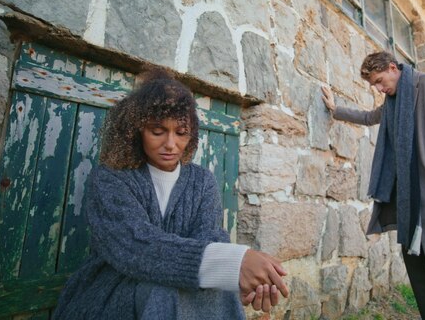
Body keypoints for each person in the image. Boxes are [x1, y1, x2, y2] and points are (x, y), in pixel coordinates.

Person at [54, 69, 288, 319]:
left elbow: (208, 238)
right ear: (137, 129)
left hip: (178, 288)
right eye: (157, 131)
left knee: (217, 289)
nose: (170, 144)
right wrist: (232, 264)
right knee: (162, 290)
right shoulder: (111, 178)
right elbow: (134, 247)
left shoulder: (202, 181)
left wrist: (239, 278)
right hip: (113, 291)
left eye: (181, 132)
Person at [322, 51, 425, 319]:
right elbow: (368, 117)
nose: (378, 89)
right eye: (373, 85)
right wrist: (335, 110)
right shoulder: (391, 102)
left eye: (379, 81)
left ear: (392, 67)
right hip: (411, 213)